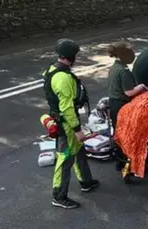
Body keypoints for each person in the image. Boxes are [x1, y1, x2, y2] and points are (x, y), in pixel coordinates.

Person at [42, 38, 99, 209]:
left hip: (63, 121)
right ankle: (59, 196)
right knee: (65, 158)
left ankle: (86, 182)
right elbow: (66, 108)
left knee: (79, 151)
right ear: (70, 56)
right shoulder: (63, 78)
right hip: (66, 125)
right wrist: (77, 129)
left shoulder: (52, 69)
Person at [107, 41, 147, 173]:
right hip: (122, 105)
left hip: (113, 104)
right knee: (126, 134)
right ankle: (128, 162)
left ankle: (120, 162)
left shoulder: (114, 68)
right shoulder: (123, 71)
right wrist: (141, 86)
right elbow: (129, 92)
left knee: (118, 133)